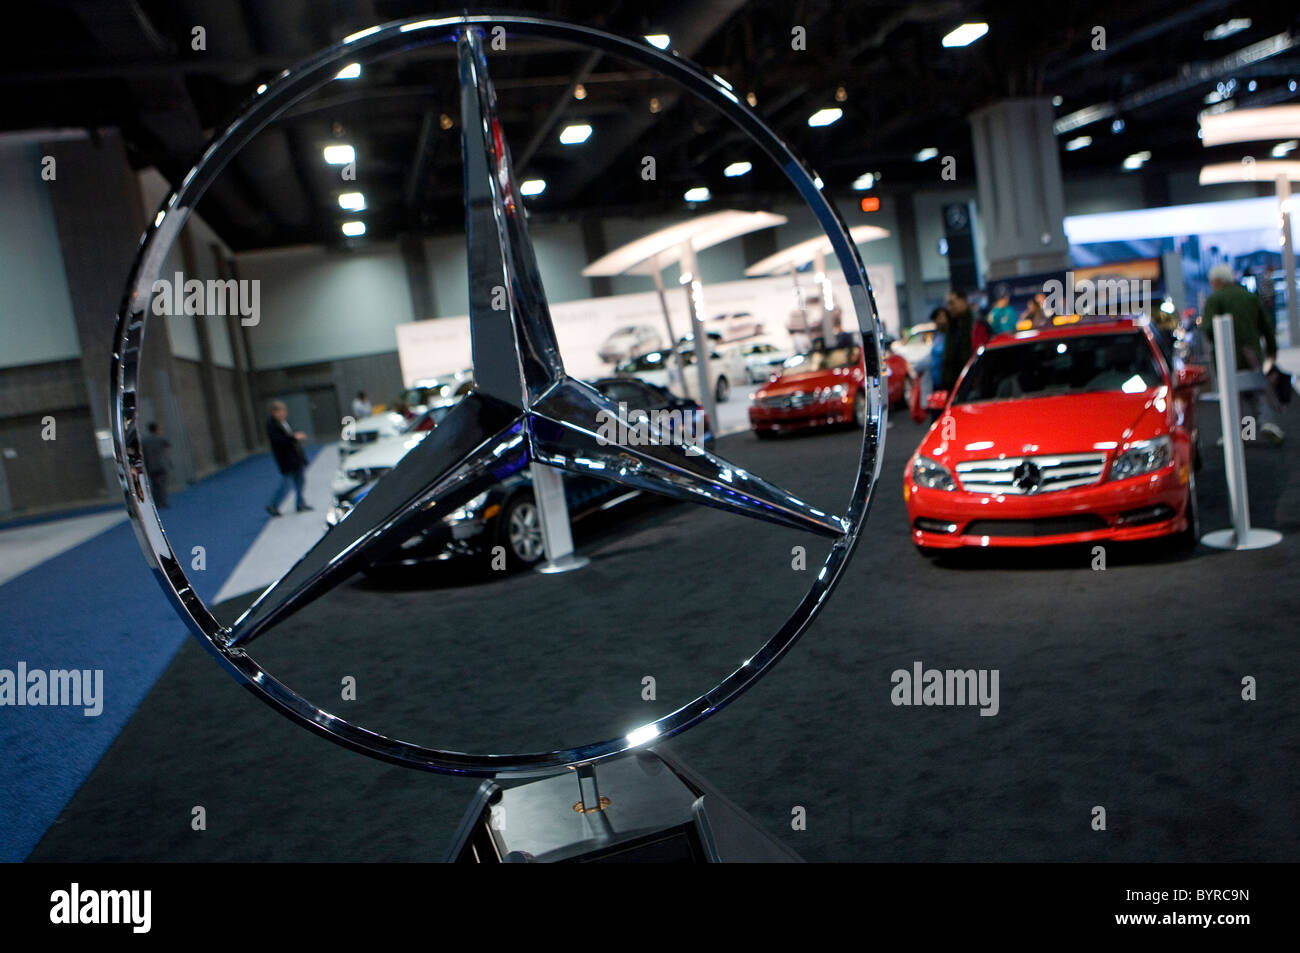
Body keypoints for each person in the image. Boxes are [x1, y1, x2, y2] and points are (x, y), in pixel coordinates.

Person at [1203, 263, 1283, 444]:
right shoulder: (1249, 297)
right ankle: (1265, 423)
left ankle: (1240, 434)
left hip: (1227, 357)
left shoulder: (1215, 300)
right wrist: (1272, 349)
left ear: (1216, 281)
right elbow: (1266, 326)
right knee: (1255, 391)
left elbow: (1209, 328)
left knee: (1233, 397)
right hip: (1252, 354)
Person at [265, 401, 312, 516]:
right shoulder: (272, 425)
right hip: (286, 459)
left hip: (295, 457)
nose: (284, 413)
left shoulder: (283, 423)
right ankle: (273, 505)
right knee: (287, 483)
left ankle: (300, 503)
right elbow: (280, 441)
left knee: (300, 481)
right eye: (281, 411)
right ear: (275, 413)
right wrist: (294, 437)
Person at [941, 292, 974, 392]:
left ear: (963, 301)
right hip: (954, 386)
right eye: (948, 304)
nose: (949, 308)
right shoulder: (951, 328)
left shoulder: (976, 324)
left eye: (952, 303)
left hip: (972, 385)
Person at [140, 422, 171, 508]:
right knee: (162, 484)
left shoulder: (144, 440)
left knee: (154, 484)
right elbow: (168, 445)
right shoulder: (160, 439)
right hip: (161, 465)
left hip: (151, 465)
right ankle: (163, 501)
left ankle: (156, 502)